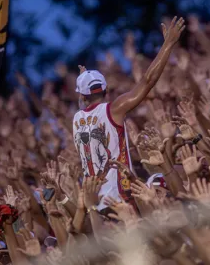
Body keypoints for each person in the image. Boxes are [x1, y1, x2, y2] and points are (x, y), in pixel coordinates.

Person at [73, 16, 186, 210]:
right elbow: (148, 80)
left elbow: (84, 106)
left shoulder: (76, 119)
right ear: (106, 91)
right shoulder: (113, 109)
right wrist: (168, 44)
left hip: (95, 204)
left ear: (82, 97)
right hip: (121, 198)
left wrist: (83, 81)